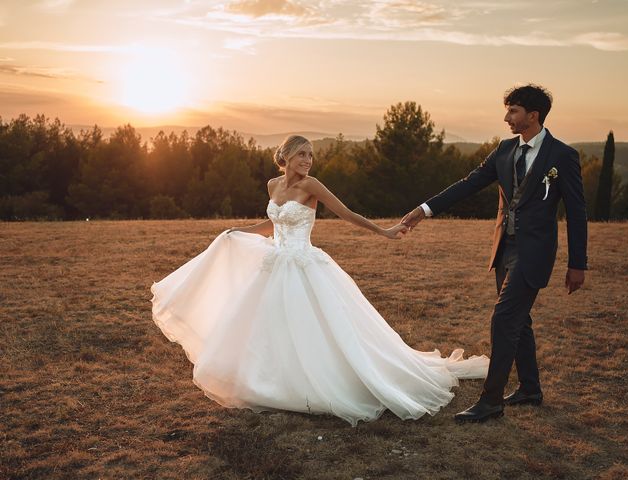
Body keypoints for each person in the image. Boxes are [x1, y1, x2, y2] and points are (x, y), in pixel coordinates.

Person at [151, 134, 489, 427]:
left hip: (304, 264)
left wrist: (385, 232)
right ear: (285, 157)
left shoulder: (311, 186)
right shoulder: (273, 185)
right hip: (274, 264)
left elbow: (347, 214)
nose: (308, 161)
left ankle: (324, 383)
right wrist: (237, 231)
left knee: (314, 327)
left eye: (311, 155)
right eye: (302, 155)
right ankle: (272, 382)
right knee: (269, 327)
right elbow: (271, 225)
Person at [401, 84, 588, 424]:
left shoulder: (562, 156)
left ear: (533, 116)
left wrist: (578, 264)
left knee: (504, 319)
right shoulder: (503, 150)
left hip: (534, 252)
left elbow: (576, 212)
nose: (506, 118)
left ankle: (491, 402)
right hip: (505, 249)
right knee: (520, 321)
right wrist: (424, 209)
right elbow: (468, 183)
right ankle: (530, 389)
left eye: (513, 111)